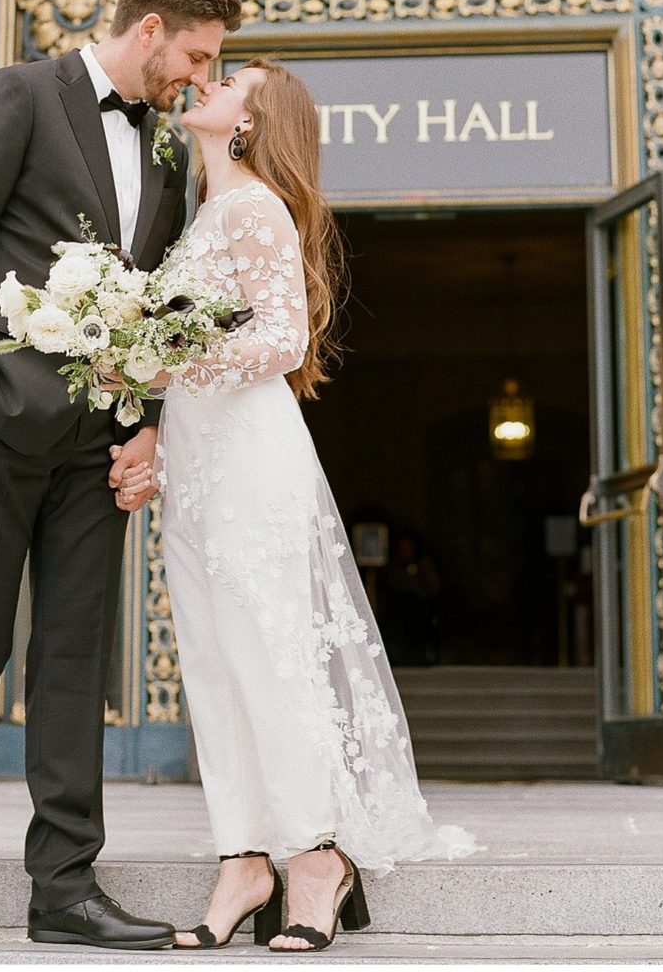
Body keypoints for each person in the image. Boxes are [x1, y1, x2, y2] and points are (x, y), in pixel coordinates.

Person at [0, 0, 242, 951]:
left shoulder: (168, 152)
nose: (200, 79)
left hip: (97, 448)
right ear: (151, 29)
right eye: (196, 55)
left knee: (75, 659)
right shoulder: (17, 96)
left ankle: (64, 885)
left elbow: (159, 301)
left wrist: (145, 426)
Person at [112, 59, 478, 954]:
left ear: (250, 121)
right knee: (212, 653)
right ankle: (243, 857)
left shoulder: (254, 206)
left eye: (229, 81)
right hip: (197, 464)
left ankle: (316, 855)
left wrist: (169, 363)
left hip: (250, 459)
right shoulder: (203, 211)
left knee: (270, 650)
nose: (207, 84)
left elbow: (282, 340)